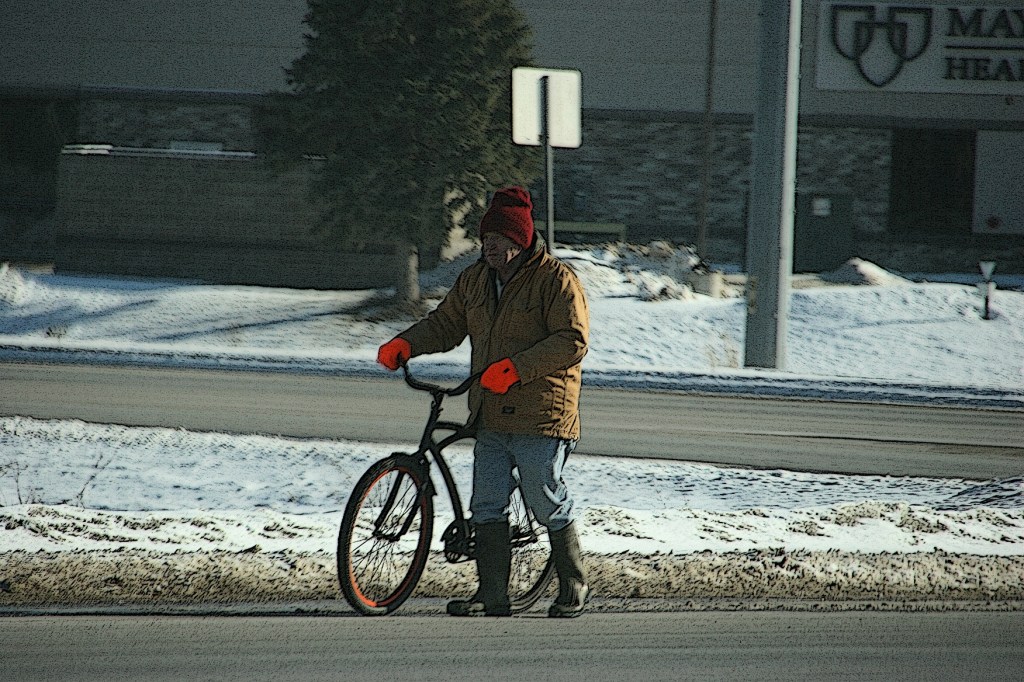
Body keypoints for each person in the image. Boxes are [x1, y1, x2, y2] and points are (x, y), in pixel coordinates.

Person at [376, 186, 590, 618]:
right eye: (486, 239)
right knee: (487, 502)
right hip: (490, 410)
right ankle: (492, 594)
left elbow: (572, 341)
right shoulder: (475, 280)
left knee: (543, 495)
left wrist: (516, 368)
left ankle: (573, 583)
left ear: (520, 240)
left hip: (542, 413)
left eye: (498, 239)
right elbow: (446, 324)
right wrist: (405, 343)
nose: (489, 246)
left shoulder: (556, 280)